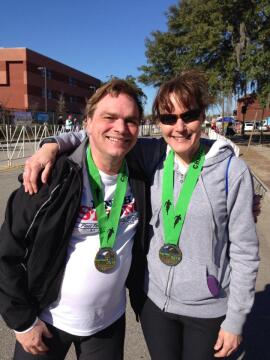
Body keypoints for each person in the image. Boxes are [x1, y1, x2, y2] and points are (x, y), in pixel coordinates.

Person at [22, 70, 259, 359]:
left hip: (207, 308)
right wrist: (53, 144)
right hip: (154, 304)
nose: (180, 127)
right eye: (169, 118)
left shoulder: (230, 171)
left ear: (203, 116)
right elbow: (102, 132)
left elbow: (245, 253)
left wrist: (235, 320)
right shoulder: (152, 155)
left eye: (190, 115)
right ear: (158, 122)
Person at [0, 79, 147, 360]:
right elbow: (7, 251)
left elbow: (187, 145)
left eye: (130, 120)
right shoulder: (51, 177)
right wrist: (22, 321)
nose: (120, 128)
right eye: (109, 117)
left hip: (107, 325)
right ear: (88, 123)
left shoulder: (142, 173)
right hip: (46, 322)